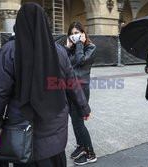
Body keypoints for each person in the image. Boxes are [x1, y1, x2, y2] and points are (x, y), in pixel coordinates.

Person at [0, 3, 90, 167]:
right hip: (56, 131)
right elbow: (72, 84)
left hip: (23, 135)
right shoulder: (59, 51)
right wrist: (84, 108)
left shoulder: (9, 51)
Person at [64, 22, 97, 165]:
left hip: (81, 88)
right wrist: (67, 48)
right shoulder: (70, 49)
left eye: (77, 32)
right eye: (71, 33)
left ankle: (90, 153)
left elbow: (80, 60)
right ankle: (81, 146)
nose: (74, 35)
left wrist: (78, 45)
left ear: (83, 33)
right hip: (69, 86)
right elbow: (63, 64)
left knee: (78, 121)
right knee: (74, 119)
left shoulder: (91, 47)